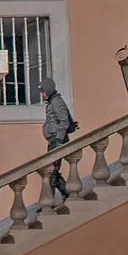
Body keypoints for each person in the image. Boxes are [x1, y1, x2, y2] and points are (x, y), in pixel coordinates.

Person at [41, 79, 78, 207]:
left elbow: (64, 122)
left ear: (49, 90)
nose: (42, 94)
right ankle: (65, 192)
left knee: (51, 172)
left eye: (43, 91)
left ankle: (49, 203)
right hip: (54, 141)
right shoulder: (52, 102)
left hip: (57, 141)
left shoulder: (57, 102)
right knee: (53, 171)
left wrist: (58, 140)